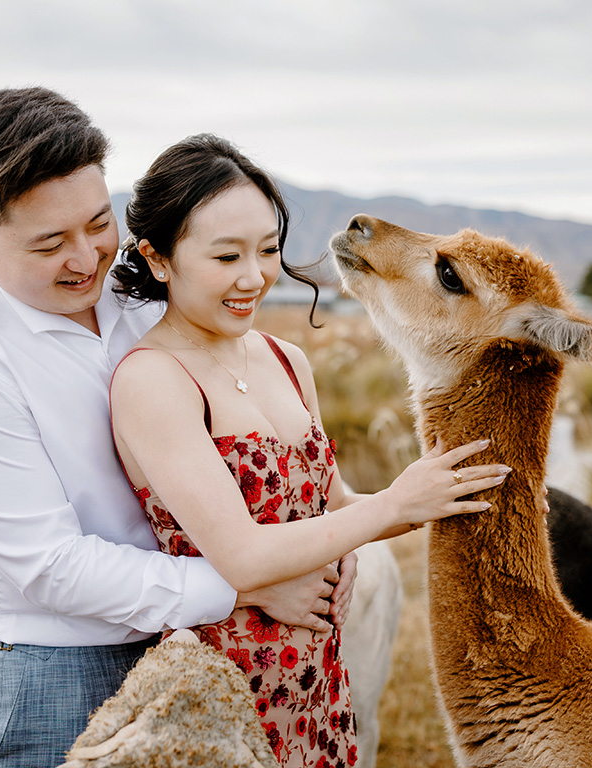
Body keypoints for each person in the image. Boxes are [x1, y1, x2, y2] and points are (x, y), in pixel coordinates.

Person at [0, 89, 347, 768]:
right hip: (56, 667)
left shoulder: (139, 283)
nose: (87, 259)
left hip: (205, 640)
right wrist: (242, 582)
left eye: (96, 223)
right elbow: (51, 567)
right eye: (50, 243)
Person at [109, 133, 511, 767]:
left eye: (268, 250)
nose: (254, 277)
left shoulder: (286, 361)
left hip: (319, 683)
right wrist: (385, 510)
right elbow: (241, 557)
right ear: (159, 260)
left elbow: (336, 506)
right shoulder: (150, 380)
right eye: (225, 257)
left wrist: (440, 492)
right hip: (223, 694)